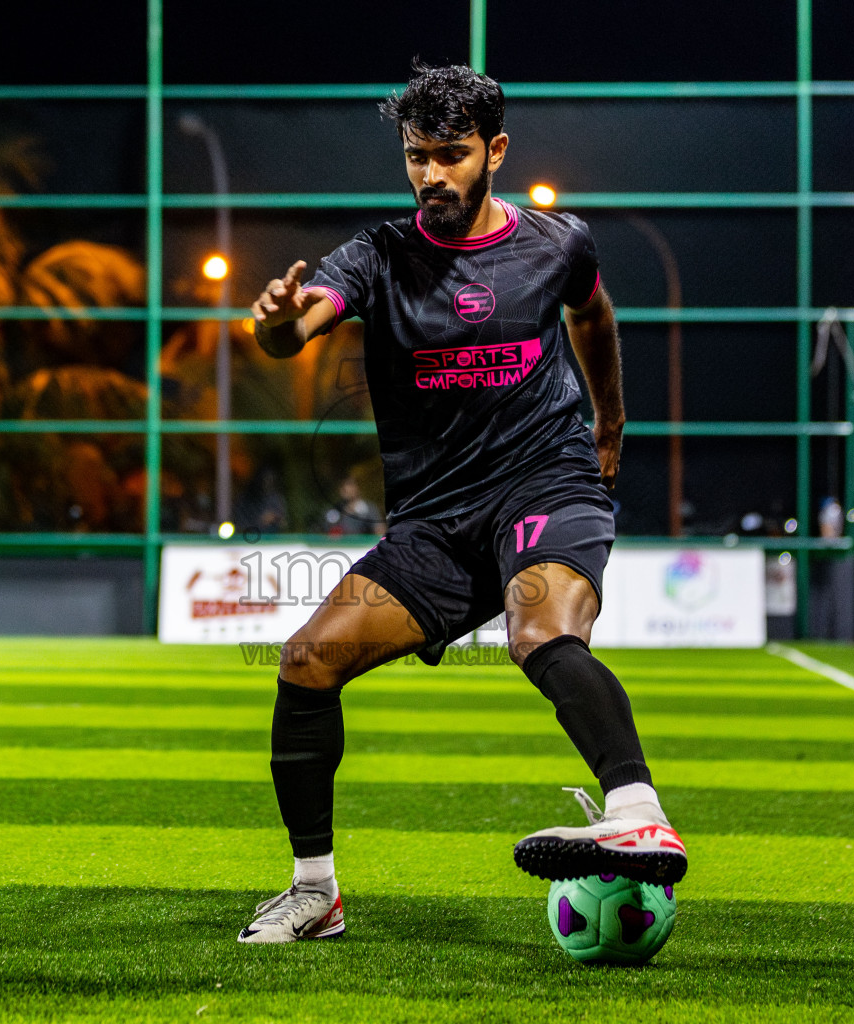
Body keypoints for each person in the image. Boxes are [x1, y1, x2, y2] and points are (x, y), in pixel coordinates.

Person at [238, 62, 685, 945]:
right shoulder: (378, 255)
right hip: (437, 523)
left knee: (540, 631)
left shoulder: (558, 245)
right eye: (417, 156)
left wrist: (610, 425)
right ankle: (314, 892)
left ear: (496, 151)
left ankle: (636, 811)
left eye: (450, 155)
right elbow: (297, 329)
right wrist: (276, 320)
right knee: (303, 662)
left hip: (545, 481)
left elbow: (593, 317)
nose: (431, 176)